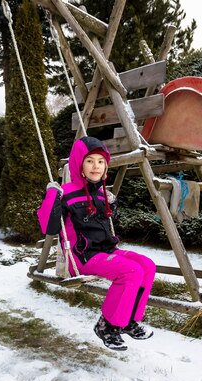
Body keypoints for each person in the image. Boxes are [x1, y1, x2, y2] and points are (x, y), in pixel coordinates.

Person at [37, 136, 156, 351]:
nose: (96, 166)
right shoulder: (67, 193)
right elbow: (49, 227)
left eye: (101, 162)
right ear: (79, 163)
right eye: (90, 161)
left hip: (106, 250)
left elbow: (108, 222)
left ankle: (129, 320)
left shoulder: (102, 194)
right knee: (130, 271)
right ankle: (107, 326)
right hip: (82, 256)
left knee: (147, 266)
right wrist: (52, 196)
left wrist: (113, 204)